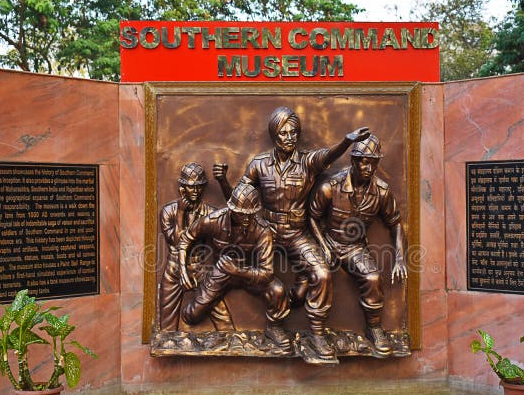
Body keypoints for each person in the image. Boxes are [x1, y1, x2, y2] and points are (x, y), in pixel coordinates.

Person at [217, 107, 370, 363]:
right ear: (274, 134)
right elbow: (238, 201)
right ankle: (275, 326)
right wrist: (223, 182)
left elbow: (327, 155)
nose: (289, 137)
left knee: (321, 274)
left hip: (298, 233)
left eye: (293, 132)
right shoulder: (258, 165)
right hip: (266, 231)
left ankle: (317, 333)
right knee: (265, 278)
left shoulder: (308, 162)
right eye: (283, 133)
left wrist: (347, 141)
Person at [308, 134, 407, 357]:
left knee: (373, 278)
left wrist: (400, 257)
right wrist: (323, 245)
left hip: (355, 248)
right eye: (362, 160)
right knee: (321, 277)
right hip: (329, 242)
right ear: (353, 161)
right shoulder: (331, 186)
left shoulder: (382, 191)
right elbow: (312, 217)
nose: (367, 166)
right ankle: (317, 334)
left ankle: (374, 328)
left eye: (372, 161)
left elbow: (395, 224)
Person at [178, 182, 292, 354]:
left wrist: (238, 271)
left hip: (249, 274)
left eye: (250, 214)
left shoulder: (263, 231)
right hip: (221, 273)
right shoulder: (214, 220)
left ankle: (275, 328)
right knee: (191, 316)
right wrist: (183, 270)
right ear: (231, 210)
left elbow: (267, 273)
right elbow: (186, 238)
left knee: (277, 291)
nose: (246, 219)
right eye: (241, 214)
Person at [158, 162, 232, 332]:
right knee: (166, 319)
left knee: (220, 313)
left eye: (199, 187)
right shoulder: (168, 211)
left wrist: (222, 181)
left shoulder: (209, 212)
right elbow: (177, 242)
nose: (196, 191)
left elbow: (233, 213)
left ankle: (231, 340)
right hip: (174, 267)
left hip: (199, 266)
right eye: (191, 187)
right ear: (182, 188)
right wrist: (181, 214)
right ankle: (169, 341)